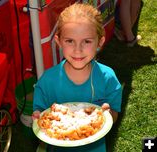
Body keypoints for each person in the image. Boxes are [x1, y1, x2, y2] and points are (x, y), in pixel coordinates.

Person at [32, 3, 122, 152]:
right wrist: (37, 115)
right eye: (69, 41)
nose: (78, 49)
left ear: (100, 42)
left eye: (86, 41)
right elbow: (40, 112)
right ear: (58, 41)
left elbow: (114, 115)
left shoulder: (108, 78)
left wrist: (109, 114)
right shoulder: (47, 81)